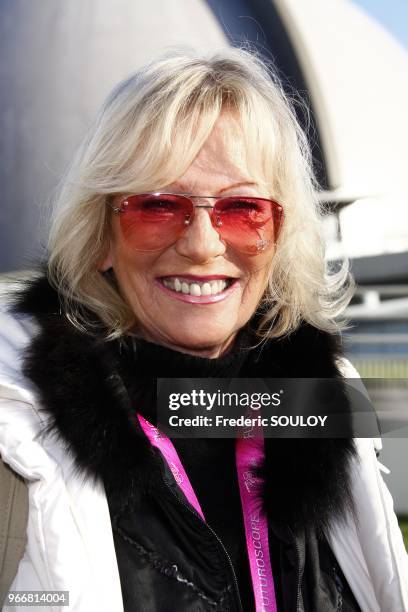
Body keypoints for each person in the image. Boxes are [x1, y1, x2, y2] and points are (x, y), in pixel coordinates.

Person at [0, 48, 407, 612]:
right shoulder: (14, 430)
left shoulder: (326, 406)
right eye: (158, 206)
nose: (202, 245)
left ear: (279, 237)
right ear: (99, 239)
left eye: (243, 209)